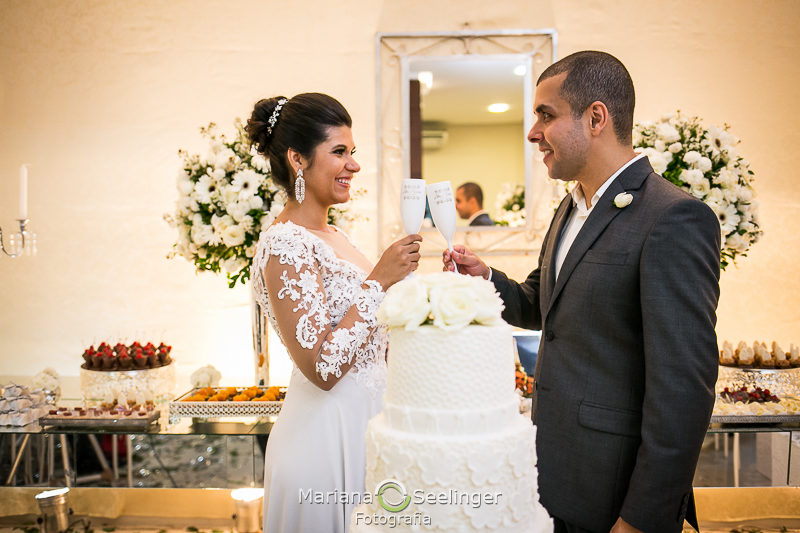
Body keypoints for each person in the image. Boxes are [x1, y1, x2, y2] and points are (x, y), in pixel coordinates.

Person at [443, 52, 720, 533]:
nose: (533, 133)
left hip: (614, 495)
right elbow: (544, 305)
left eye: (546, 116)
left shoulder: (673, 217)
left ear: (595, 118)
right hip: (555, 480)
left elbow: (684, 390)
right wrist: (484, 277)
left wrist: (641, 519)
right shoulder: (570, 208)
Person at [247, 93, 422, 533]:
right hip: (323, 442)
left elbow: (370, 337)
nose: (353, 165)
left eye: (352, 151)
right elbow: (322, 367)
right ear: (297, 159)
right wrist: (378, 281)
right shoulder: (285, 243)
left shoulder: (337, 236)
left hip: (368, 429)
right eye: (339, 151)